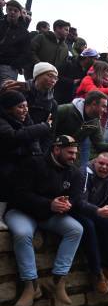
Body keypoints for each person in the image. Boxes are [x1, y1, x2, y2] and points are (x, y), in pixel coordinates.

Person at [5, 135, 85, 306]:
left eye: (75, 153)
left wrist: (68, 204)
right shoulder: (33, 164)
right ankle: (31, 285)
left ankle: (57, 280)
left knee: (76, 229)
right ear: (56, 150)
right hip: (22, 212)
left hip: (48, 216)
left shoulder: (75, 172)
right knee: (22, 233)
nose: (74, 157)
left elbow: (78, 197)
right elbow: (19, 194)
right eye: (70, 152)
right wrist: (49, 203)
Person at [74, 152, 108, 293]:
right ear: (95, 162)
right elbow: (78, 202)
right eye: (101, 163)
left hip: (96, 211)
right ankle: (96, 272)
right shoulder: (83, 173)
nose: (104, 167)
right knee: (89, 227)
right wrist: (98, 211)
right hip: (77, 211)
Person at [0, 91, 52, 229]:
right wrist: (43, 127)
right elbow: (13, 137)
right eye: (21, 107)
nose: (25, 110)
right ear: (9, 108)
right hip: (5, 161)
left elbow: (33, 141)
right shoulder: (2, 120)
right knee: (6, 174)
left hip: (20, 160)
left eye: (26, 106)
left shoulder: (25, 119)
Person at [53, 90, 108, 167]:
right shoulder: (66, 110)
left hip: (69, 159)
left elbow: (100, 146)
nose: (106, 111)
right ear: (94, 104)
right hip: (50, 153)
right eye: (103, 107)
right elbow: (47, 130)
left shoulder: (95, 122)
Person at [0, 0, 30, 85]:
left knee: (6, 92)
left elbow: (26, 52)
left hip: (9, 67)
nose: (12, 12)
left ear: (20, 13)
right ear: (6, 10)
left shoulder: (24, 32)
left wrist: (15, 64)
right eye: (10, 9)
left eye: (15, 10)